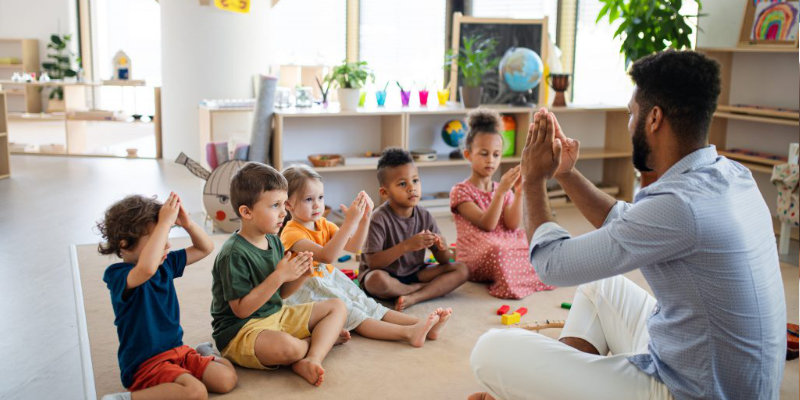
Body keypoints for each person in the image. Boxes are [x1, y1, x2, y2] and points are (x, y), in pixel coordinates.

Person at [470, 50, 786, 400]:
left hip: (695, 391)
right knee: (600, 286)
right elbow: (629, 223)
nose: (629, 123)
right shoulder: (730, 174)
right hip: (723, 375)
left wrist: (532, 179)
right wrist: (567, 173)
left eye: (630, 114)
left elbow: (550, 264)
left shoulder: (679, 205)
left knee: (489, 349)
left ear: (654, 119)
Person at [279, 164, 452, 346]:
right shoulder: (291, 233)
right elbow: (327, 256)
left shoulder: (322, 223)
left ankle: (422, 325)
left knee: (367, 303)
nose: (317, 205)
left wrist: (363, 220)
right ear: (288, 204)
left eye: (320, 197)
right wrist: (349, 222)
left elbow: (354, 247)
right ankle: (408, 333)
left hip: (328, 279)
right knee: (354, 313)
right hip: (306, 289)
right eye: (308, 199)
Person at [210, 162, 348, 387]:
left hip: (276, 315)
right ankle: (317, 343)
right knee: (288, 347)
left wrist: (302, 274)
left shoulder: (273, 240)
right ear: (247, 212)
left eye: (284, 204)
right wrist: (280, 275)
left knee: (337, 306)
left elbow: (282, 294)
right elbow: (241, 309)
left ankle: (312, 357)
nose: (284, 213)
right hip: (241, 330)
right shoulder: (233, 254)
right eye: (275, 205)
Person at [98, 193, 237, 400]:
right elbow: (146, 268)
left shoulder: (166, 265)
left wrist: (187, 224)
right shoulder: (118, 275)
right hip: (145, 363)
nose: (167, 245)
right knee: (195, 392)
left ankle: (205, 353)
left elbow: (205, 248)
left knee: (226, 380)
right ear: (124, 245)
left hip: (177, 351)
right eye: (158, 239)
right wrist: (164, 223)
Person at [450, 108, 555, 299]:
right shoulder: (461, 191)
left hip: (505, 241)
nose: (490, 160)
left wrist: (519, 192)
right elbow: (487, 224)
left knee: (537, 241)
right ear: (468, 155)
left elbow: (512, 225)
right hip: (476, 253)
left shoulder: (501, 188)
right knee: (500, 250)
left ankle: (531, 272)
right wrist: (501, 192)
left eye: (496, 154)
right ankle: (519, 275)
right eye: (484, 153)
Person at [360, 148, 469, 311]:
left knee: (461, 270)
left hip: (415, 272)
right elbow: (373, 263)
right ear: (384, 192)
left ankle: (415, 297)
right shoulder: (378, 218)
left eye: (415, 181)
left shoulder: (425, 216)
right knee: (375, 281)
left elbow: (444, 261)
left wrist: (442, 247)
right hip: (385, 273)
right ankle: (421, 290)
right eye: (403, 184)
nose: (412, 188)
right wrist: (406, 246)